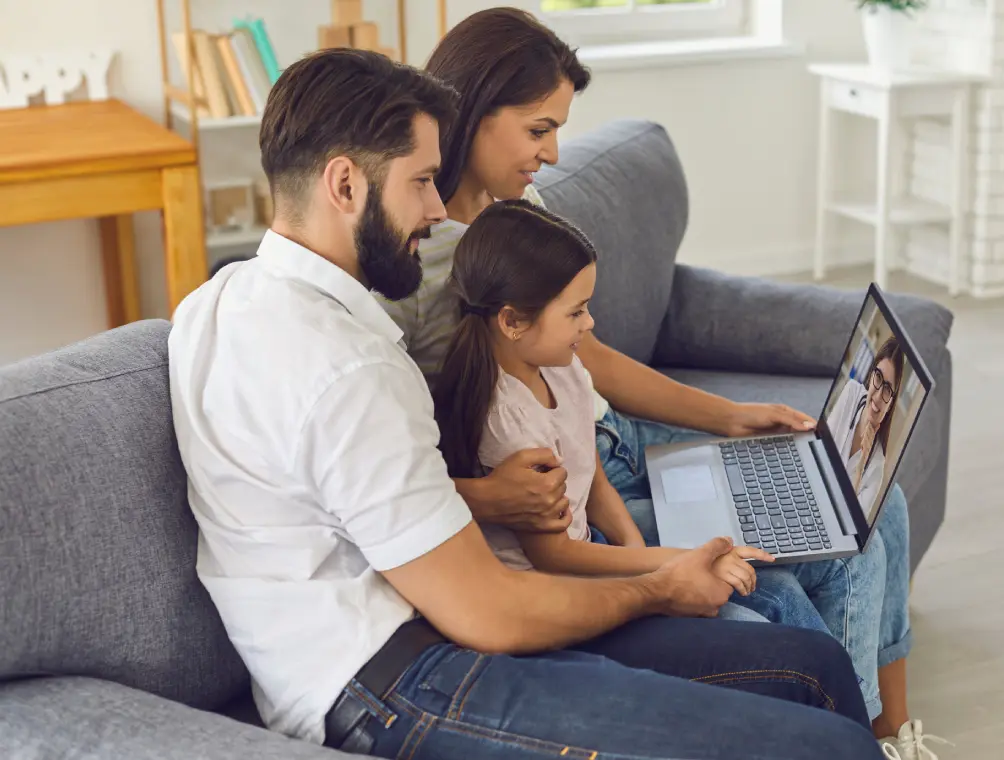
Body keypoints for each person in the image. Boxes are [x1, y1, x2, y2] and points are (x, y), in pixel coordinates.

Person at [167, 48, 884, 760]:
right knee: (822, 745)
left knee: (810, 670)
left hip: (427, 631)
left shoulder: (218, 303)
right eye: (420, 181)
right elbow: (491, 611)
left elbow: (343, 493)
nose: (435, 207)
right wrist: (659, 587)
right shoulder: (345, 369)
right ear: (346, 184)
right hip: (392, 682)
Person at [378, 8, 945, 759]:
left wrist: (730, 417)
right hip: (562, 474)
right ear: (476, 112)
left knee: (867, 499)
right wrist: (488, 497)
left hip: (605, 439)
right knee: (786, 571)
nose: (550, 153)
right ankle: (846, 735)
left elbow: (591, 359)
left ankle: (888, 735)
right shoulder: (415, 260)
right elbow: (400, 437)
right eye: (538, 129)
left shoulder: (517, 208)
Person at [431, 198, 770, 623]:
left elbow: (594, 481)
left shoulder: (565, 368)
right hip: (561, 590)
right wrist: (670, 567)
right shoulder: (507, 422)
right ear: (512, 321)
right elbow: (554, 556)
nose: (589, 323)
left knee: (771, 575)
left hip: (591, 550)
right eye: (576, 311)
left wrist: (639, 552)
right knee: (755, 616)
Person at [827, 338, 904, 520]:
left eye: (887, 389)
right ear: (871, 376)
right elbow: (820, 451)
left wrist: (861, 468)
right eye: (878, 378)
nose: (878, 396)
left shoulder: (877, 465)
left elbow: (852, 525)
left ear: (891, 401)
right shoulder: (851, 394)